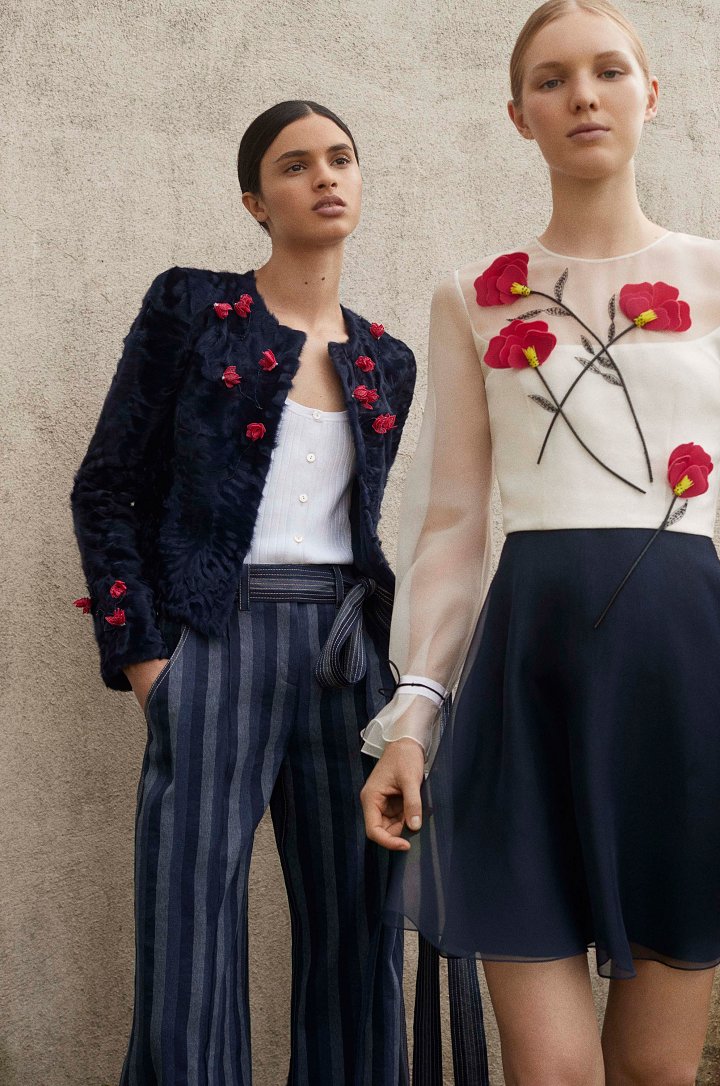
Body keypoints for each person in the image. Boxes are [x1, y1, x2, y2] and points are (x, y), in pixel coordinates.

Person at [359, 3, 720, 1083]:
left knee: (656, 1073)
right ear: (518, 114)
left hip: (688, 686)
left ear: (649, 95)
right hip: (526, 685)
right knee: (552, 1070)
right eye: (552, 79)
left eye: (608, 71)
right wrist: (414, 716)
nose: (583, 96)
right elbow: (452, 523)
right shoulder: (471, 296)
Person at [71, 100, 416, 1086]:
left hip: (344, 652)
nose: (325, 177)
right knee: (189, 932)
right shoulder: (191, 309)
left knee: (359, 927)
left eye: (340, 158)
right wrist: (149, 662)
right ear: (254, 201)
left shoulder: (386, 360)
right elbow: (106, 487)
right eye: (295, 165)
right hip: (213, 639)